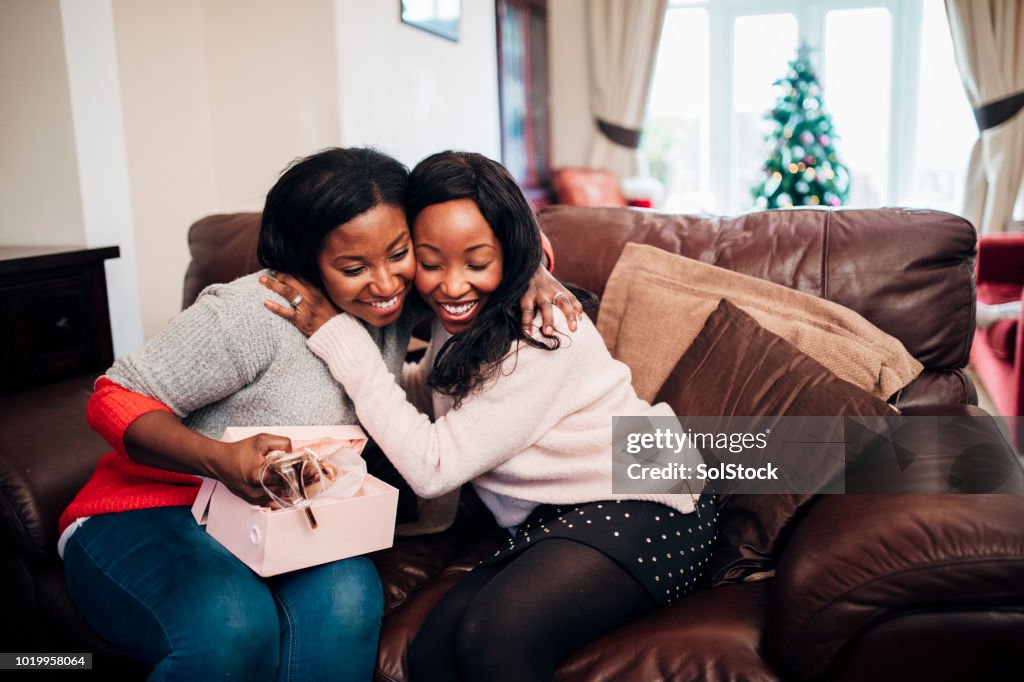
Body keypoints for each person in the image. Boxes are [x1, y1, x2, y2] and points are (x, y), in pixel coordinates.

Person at [59, 146, 578, 682]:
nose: (384, 283)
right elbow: (114, 396)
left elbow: (486, 230)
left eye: (398, 253)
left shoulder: (401, 301)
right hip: (155, 509)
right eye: (353, 267)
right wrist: (219, 459)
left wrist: (534, 271)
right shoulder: (252, 313)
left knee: (348, 607)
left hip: (292, 515)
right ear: (308, 260)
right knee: (231, 627)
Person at [261, 150, 718, 682]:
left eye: (477, 264)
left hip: (648, 501)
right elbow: (437, 392)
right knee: (432, 652)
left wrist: (339, 342)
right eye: (431, 264)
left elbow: (433, 467)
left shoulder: (546, 332)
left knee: (492, 639)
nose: (452, 287)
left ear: (510, 255)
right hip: (555, 516)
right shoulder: (455, 322)